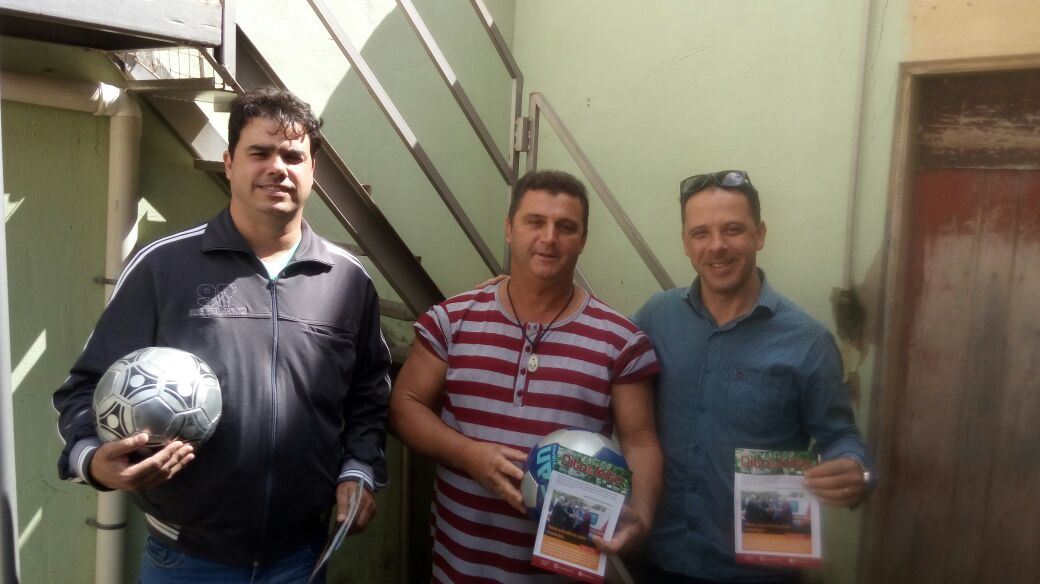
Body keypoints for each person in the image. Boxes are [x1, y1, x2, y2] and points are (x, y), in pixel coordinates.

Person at [52, 87, 391, 583]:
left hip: (300, 558)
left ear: (313, 170)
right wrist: (91, 459)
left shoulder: (347, 281)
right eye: (260, 152)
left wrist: (359, 469)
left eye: (293, 156)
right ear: (229, 163)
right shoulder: (163, 266)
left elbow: (369, 395)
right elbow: (84, 387)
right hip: (185, 560)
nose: (278, 167)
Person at [389, 170, 663, 583]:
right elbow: (404, 406)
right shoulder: (452, 320)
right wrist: (468, 455)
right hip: (460, 564)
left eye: (566, 227)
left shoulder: (620, 341)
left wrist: (640, 515)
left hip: (563, 570)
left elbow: (640, 441)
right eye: (535, 221)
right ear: (509, 229)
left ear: (583, 239)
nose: (549, 238)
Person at [632, 170, 875, 584]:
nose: (717, 246)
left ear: (759, 235)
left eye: (733, 230)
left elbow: (840, 435)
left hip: (759, 573)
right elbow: (607, 373)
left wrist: (855, 469)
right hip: (658, 561)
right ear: (686, 242)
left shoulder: (808, 341)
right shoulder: (657, 316)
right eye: (701, 233)